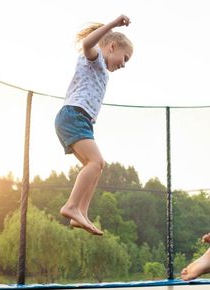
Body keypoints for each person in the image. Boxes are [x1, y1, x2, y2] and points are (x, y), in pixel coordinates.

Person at [55, 15, 133, 235]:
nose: (124, 64)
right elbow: (87, 43)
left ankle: (81, 213)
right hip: (73, 115)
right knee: (96, 162)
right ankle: (71, 206)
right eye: (124, 57)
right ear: (112, 46)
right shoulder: (95, 57)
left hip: (81, 120)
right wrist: (114, 23)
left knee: (96, 166)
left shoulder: (102, 70)